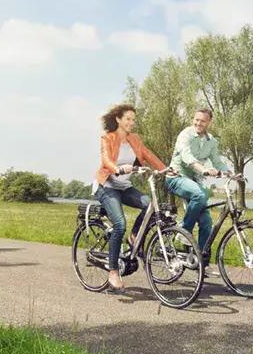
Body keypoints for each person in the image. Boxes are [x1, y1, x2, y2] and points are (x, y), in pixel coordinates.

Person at [94, 104, 167, 291]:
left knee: (150, 205)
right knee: (119, 224)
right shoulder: (107, 138)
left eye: (133, 119)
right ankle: (113, 272)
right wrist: (117, 168)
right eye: (128, 119)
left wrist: (165, 169)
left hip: (124, 186)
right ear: (118, 119)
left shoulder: (134, 139)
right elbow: (106, 160)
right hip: (107, 186)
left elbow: (148, 154)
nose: (131, 123)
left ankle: (134, 237)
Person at [166, 108, 231, 271]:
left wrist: (231, 172)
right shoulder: (185, 135)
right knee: (200, 194)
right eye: (196, 119)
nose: (198, 123)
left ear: (209, 122)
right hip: (176, 177)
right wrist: (203, 169)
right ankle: (184, 231)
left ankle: (200, 261)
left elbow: (217, 161)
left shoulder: (212, 141)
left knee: (206, 223)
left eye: (202, 121)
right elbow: (187, 157)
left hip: (194, 181)